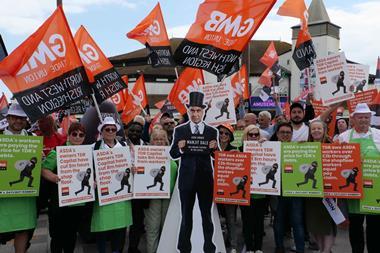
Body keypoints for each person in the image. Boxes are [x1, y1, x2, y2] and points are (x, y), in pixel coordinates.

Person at [170, 91, 219, 253]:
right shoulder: (180, 130)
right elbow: (172, 154)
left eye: (198, 110)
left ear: (203, 111)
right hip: (186, 180)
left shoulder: (212, 132)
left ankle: (209, 246)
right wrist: (180, 148)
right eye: (193, 110)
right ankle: (184, 247)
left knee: (207, 215)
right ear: (188, 111)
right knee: (186, 216)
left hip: (205, 180)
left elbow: (217, 156)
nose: (196, 114)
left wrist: (214, 149)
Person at [338, 103, 380, 253]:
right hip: (353, 189)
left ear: (370, 118)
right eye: (360, 117)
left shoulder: (378, 135)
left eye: (366, 117)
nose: (363, 120)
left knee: (374, 227)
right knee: (355, 226)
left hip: (374, 189)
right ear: (353, 119)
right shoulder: (343, 137)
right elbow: (337, 161)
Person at [41, 122, 88, 253]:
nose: (78, 137)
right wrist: (55, 178)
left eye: (81, 134)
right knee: (57, 236)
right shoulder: (58, 151)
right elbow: (44, 170)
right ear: (69, 135)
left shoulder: (86, 153)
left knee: (71, 235)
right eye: (74, 134)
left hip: (78, 202)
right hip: (59, 201)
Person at [91, 117, 132, 253]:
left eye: (113, 129)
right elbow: (87, 168)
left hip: (121, 196)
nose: (110, 132)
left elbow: (131, 165)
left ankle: (117, 251)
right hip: (104, 194)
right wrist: (93, 179)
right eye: (107, 129)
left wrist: (134, 169)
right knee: (102, 227)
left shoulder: (125, 147)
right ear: (101, 131)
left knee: (120, 227)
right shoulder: (94, 147)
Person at [0, 103, 37, 253]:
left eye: (21, 118)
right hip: (3, 194)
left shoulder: (32, 137)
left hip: (24, 196)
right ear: (8, 118)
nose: (18, 121)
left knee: (23, 228)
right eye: (14, 117)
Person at [272, 121, 305, 253]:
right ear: (277, 134)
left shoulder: (298, 147)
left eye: (288, 132)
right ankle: (279, 247)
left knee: (297, 222)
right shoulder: (271, 147)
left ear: (292, 134)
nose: (285, 134)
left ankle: (300, 249)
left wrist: (306, 147)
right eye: (282, 132)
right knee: (278, 222)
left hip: (295, 192)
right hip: (277, 192)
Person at [305, 120, 337, 253]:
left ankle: (326, 250)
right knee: (314, 223)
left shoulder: (332, 145)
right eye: (313, 129)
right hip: (311, 192)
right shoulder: (306, 146)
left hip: (328, 191)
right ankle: (321, 249)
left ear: (324, 130)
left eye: (319, 128)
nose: (316, 131)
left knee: (327, 223)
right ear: (310, 131)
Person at [144, 129, 178, 253]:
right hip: (153, 197)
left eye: (161, 139)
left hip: (170, 197)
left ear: (166, 140)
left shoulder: (173, 153)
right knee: (153, 228)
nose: (159, 141)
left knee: (167, 228)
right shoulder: (145, 154)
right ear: (151, 141)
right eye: (156, 139)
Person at [239, 124, 267, 253]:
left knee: (259, 222)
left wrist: (266, 145)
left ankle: (258, 247)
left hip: (261, 194)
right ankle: (249, 247)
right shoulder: (240, 149)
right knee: (247, 221)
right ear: (246, 136)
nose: (254, 137)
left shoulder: (265, 147)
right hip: (246, 194)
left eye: (256, 134)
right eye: (251, 134)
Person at [124, 121, 147, 253]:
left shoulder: (147, 146)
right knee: (123, 220)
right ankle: (119, 247)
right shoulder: (120, 145)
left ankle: (133, 247)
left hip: (139, 190)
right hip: (125, 187)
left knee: (137, 221)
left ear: (142, 132)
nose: (134, 133)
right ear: (128, 131)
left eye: (138, 131)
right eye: (132, 130)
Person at [216, 124, 239, 253]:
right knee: (216, 217)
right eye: (221, 132)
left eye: (226, 133)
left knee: (231, 218)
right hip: (212, 188)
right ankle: (217, 242)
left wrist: (237, 155)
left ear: (230, 137)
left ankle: (234, 245)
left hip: (229, 190)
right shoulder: (212, 148)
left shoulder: (235, 149)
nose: (223, 135)